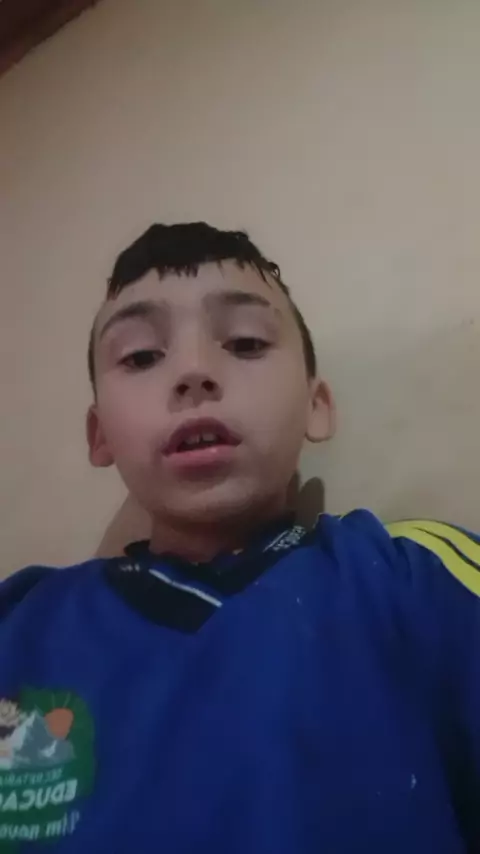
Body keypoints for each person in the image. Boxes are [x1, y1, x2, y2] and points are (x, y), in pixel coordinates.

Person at [1, 222, 479, 853]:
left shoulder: (418, 577)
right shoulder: (20, 624)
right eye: (141, 356)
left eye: (246, 342)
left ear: (316, 406)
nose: (194, 372)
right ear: (100, 436)